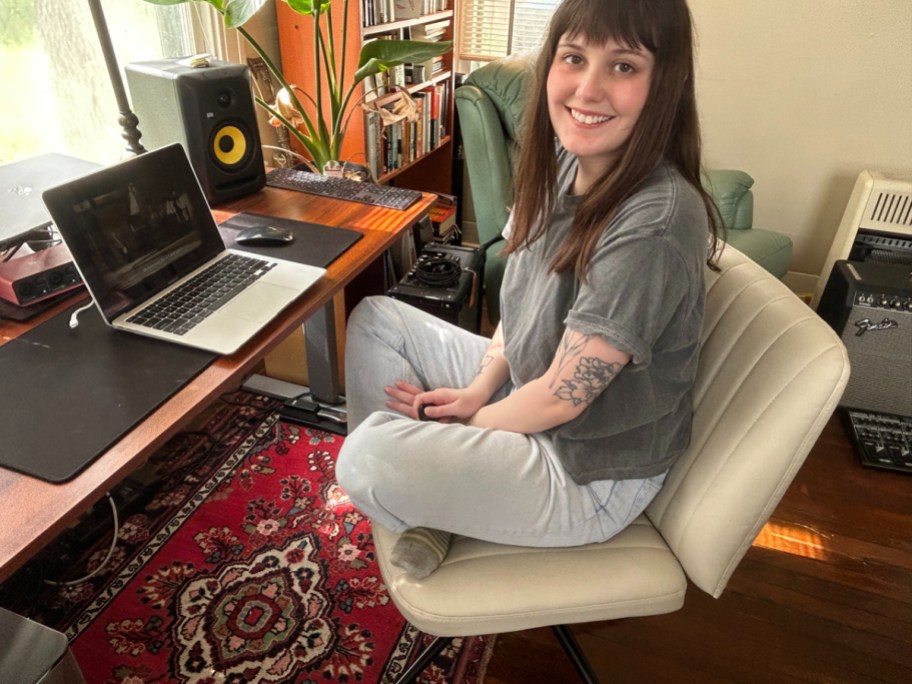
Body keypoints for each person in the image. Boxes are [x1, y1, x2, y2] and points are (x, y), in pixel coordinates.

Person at [335, 0, 721, 578]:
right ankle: (431, 501)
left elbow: (564, 399)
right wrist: (478, 391)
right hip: (528, 392)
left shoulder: (656, 223)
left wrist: (453, 429)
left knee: (367, 457)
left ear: (666, 82)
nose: (587, 90)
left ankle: (425, 493)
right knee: (375, 319)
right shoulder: (567, 161)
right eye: (574, 58)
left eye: (623, 67)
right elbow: (521, 303)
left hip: (586, 470)